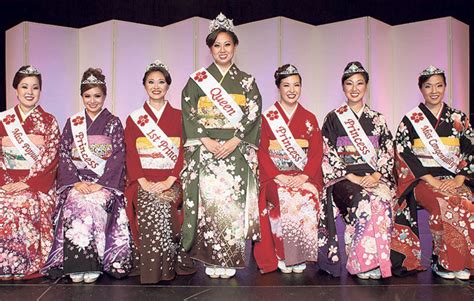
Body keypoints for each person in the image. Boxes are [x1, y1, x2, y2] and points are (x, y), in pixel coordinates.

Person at [180, 13, 262, 279]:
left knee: (231, 205)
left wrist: (236, 140)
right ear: (210, 49)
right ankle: (209, 259)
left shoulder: (247, 81)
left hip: (235, 150)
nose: (222, 50)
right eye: (217, 45)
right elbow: (189, 111)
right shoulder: (197, 81)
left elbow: (253, 114)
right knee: (209, 205)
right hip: (206, 149)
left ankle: (229, 259)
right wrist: (205, 139)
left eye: (227, 44)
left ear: (235, 46)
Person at [41, 68, 132, 283]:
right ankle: (75, 265)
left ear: (104, 96)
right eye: (88, 96)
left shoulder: (113, 122)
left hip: (103, 184)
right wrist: (75, 182)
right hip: (78, 182)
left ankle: (93, 264)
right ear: (82, 97)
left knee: (94, 204)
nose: (92, 101)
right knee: (75, 202)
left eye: (97, 96)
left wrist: (102, 184)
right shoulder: (73, 123)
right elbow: (63, 154)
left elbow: (118, 156)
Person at [391, 65, 473, 280]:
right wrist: (430, 180)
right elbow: (403, 153)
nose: (434, 91)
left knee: (466, 202)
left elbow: (470, 148)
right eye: (428, 86)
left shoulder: (458, 118)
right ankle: (444, 262)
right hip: (422, 181)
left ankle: (464, 262)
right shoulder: (410, 120)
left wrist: (459, 178)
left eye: (439, 85)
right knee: (444, 202)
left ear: (445, 87)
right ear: (421, 89)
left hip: (454, 178)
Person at [320, 61, 395, 279]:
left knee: (381, 200)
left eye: (359, 83)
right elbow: (328, 152)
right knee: (362, 201)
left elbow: (387, 151)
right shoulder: (333, 118)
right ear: (343, 87)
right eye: (349, 84)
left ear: (366, 86)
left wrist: (376, 175)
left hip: (374, 176)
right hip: (345, 178)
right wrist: (352, 176)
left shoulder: (378, 119)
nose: (354, 88)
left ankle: (377, 262)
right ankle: (360, 262)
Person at [124, 60, 196, 284]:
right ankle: (156, 268)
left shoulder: (180, 116)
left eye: (161, 82)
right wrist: (143, 181)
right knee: (149, 202)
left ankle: (166, 266)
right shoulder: (135, 118)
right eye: (151, 82)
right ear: (144, 85)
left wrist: (169, 180)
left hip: (172, 180)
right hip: (143, 180)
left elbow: (184, 152)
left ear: (168, 86)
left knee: (164, 202)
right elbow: (131, 155)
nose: (156, 86)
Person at [253, 64, 323, 274]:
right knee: (286, 197)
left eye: (296, 85)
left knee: (305, 196)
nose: (292, 90)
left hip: (302, 176)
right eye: (286, 85)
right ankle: (282, 254)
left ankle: (298, 254)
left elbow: (316, 152)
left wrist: (304, 176)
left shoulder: (309, 118)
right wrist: (277, 175)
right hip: (275, 177)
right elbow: (262, 152)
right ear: (278, 88)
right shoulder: (267, 118)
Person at [0, 65, 60, 280]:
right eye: (24, 86)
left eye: (35, 87)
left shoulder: (49, 121)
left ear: (40, 91)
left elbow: (51, 158)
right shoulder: (3, 119)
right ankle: (4, 263)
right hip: (6, 182)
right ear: (15, 89)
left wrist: (27, 183)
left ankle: (26, 264)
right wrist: (5, 182)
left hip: (37, 185)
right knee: (3, 201)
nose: (29, 91)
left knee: (25, 202)